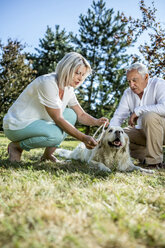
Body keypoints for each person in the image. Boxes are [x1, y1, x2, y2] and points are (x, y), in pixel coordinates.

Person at [3, 52, 109, 162]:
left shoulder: (69, 88)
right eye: (77, 73)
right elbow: (58, 118)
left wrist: (97, 122)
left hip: (37, 122)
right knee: (55, 136)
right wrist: (83, 138)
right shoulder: (47, 82)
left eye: (83, 75)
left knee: (71, 114)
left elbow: (80, 114)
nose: (80, 78)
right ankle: (16, 147)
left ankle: (47, 155)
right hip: (17, 125)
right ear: (66, 69)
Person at [109, 62, 165, 169]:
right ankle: (146, 157)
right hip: (144, 132)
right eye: (129, 81)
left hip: (163, 130)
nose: (131, 85)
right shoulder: (128, 93)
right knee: (121, 135)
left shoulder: (159, 84)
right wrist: (109, 134)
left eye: (134, 80)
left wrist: (138, 110)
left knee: (149, 116)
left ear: (146, 77)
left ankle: (154, 163)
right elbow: (118, 116)